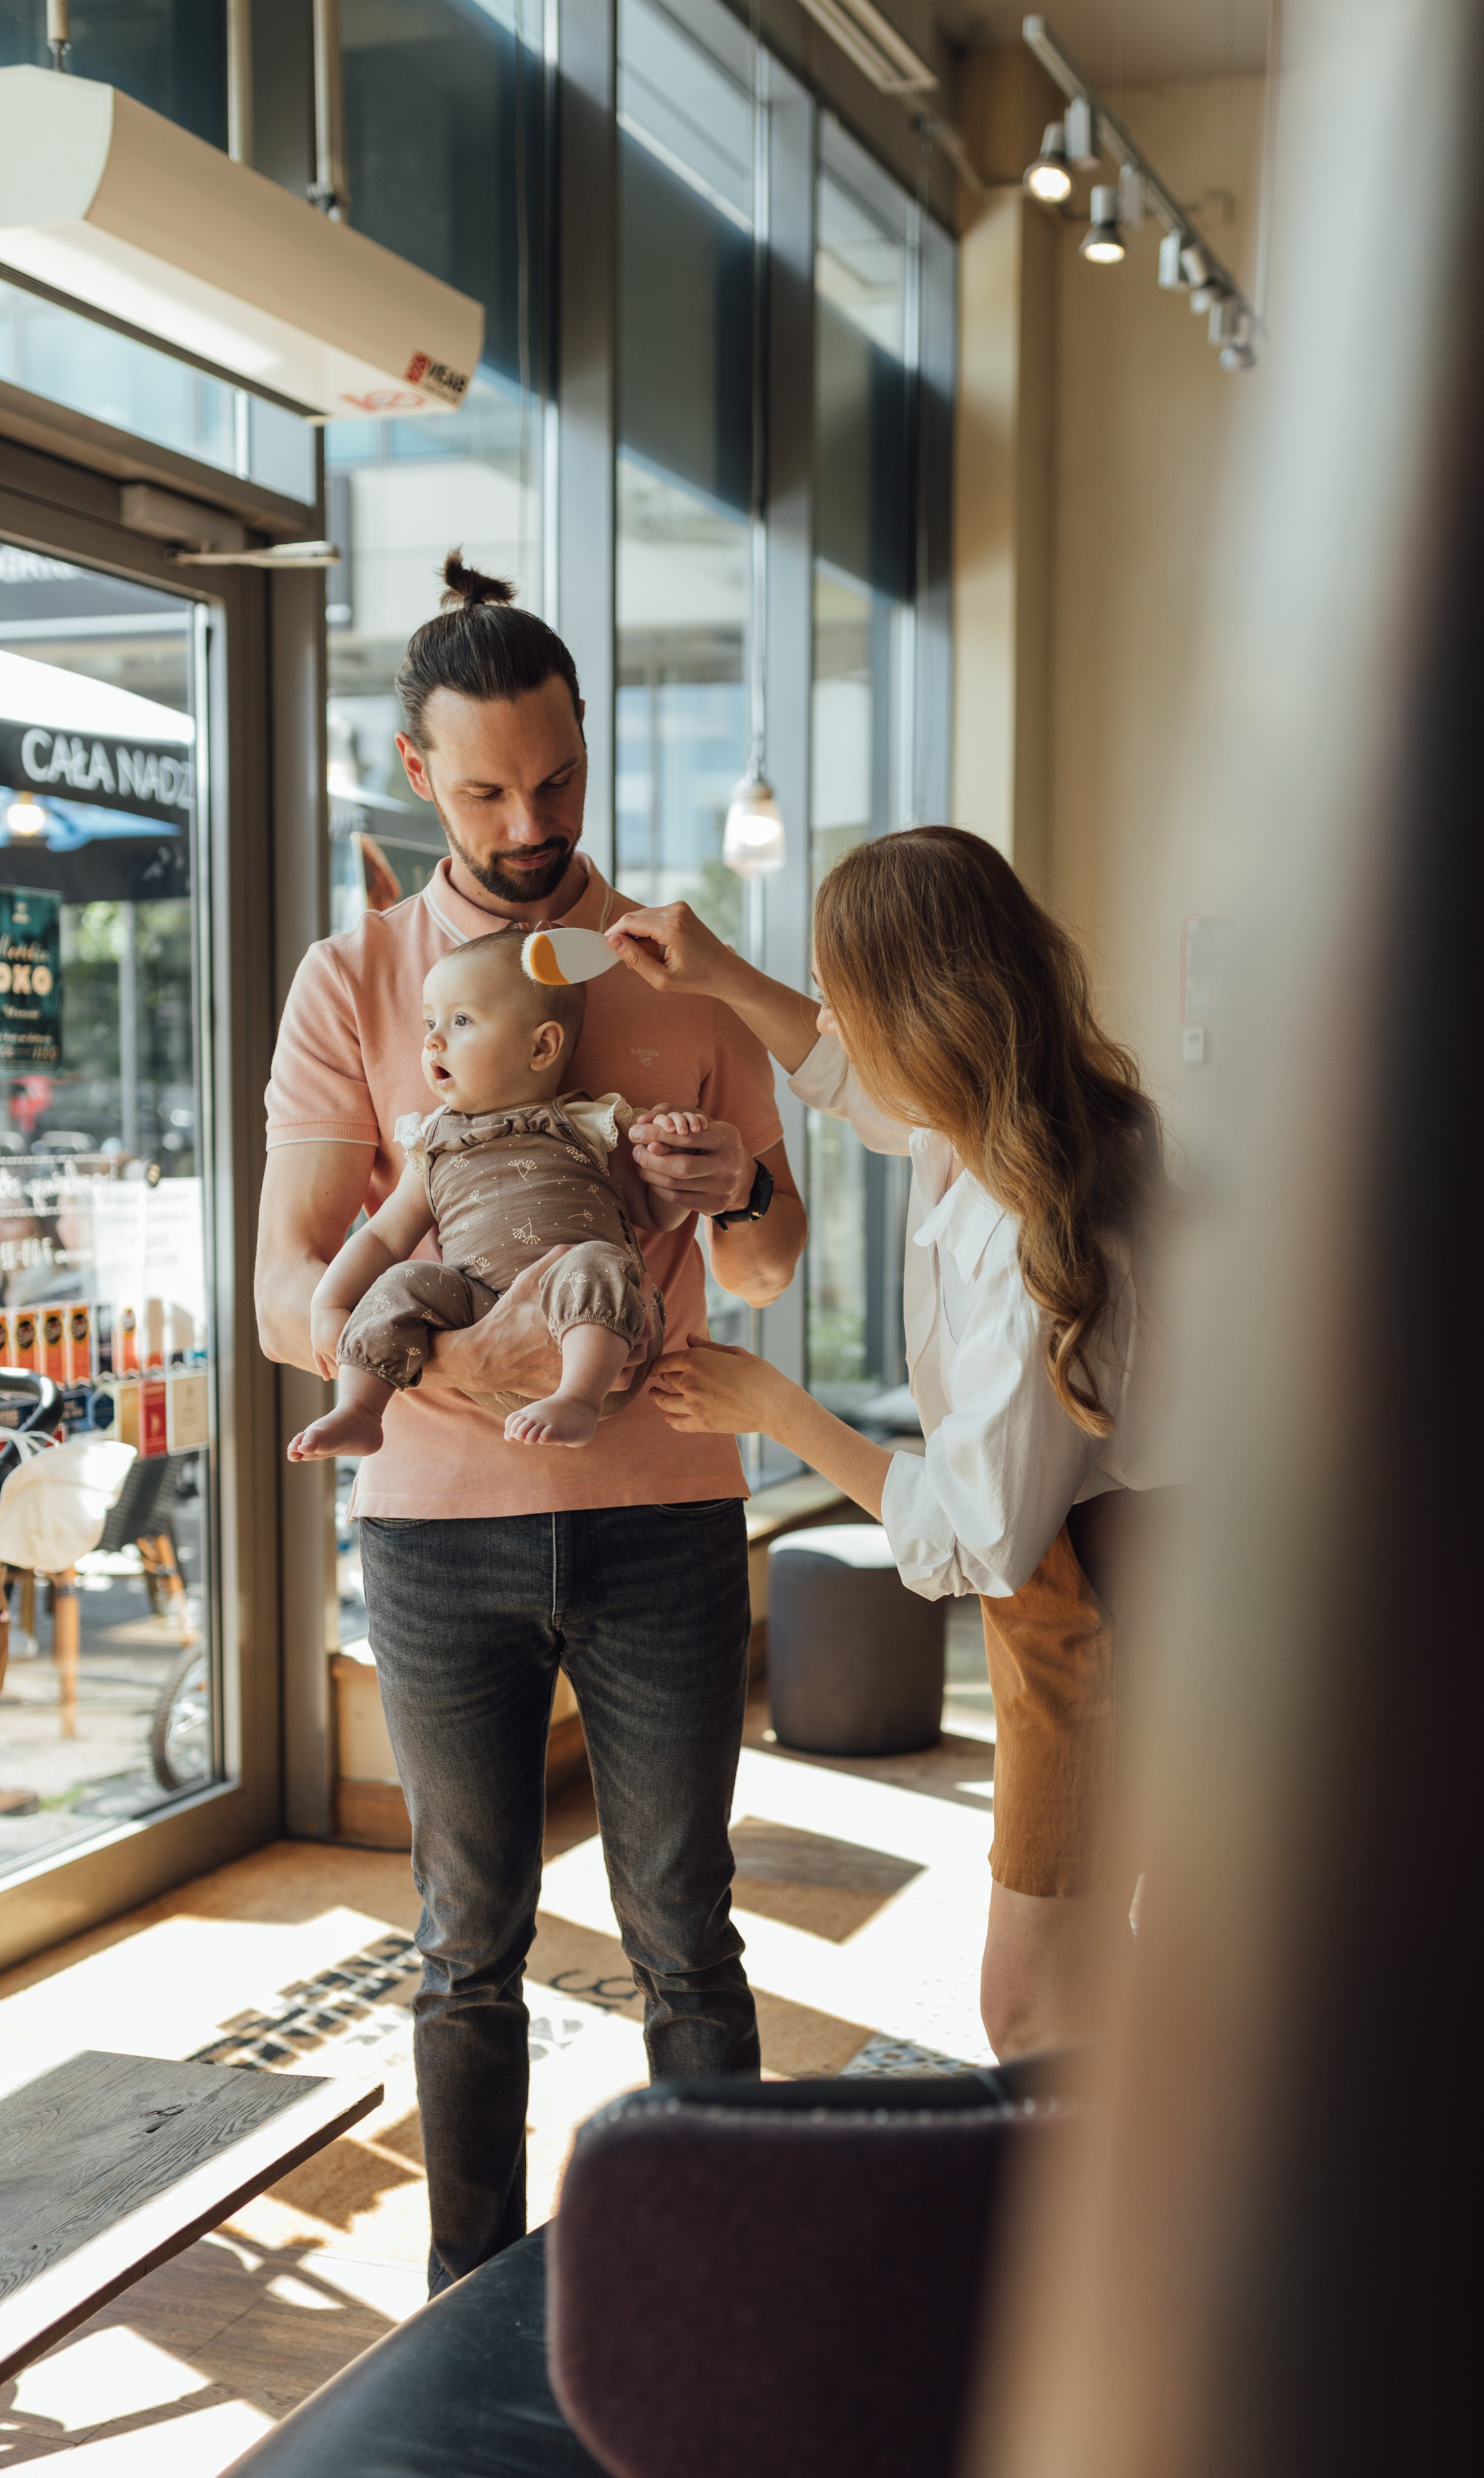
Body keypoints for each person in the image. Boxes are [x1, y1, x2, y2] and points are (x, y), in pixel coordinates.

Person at [256, 552, 806, 2294]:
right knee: (463, 1943)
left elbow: (773, 1267)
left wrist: (741, 1187)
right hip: (434, 1538)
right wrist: (448, 1364)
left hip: (667, 1515)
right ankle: (468, 2307)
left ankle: (721, 2306)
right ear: (416, 770)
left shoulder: (683, 971)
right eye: (485, 791)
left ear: (588, 747)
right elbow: (284, 1290)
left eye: (556, 781)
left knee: (685, 1934)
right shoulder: (354, 984)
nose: (529, 823)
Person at [606, 827, 1171, 2061]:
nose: (829, 1025)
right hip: (1089, 1586)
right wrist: (720, 973)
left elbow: (978, 1532)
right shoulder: (1000, 1119)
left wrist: (782, 1412)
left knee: (1028, 2003)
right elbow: (853, 1088)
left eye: (842, 998)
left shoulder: (1036, 1220)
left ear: (920, 1015)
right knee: (1099, 1971)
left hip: (1098, 1609)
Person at [286, 927, 708, 1460]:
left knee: (598, 1262)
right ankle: (360, 1409)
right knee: (405, 1280)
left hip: (607, 1343)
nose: (433, 1040)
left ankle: (577, 1398)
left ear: (542, 1046)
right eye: (430, 1023)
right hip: (478, 1314)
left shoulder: (584, 1122)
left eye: (461, 1021)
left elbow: (652, 1214)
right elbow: (384, 1239)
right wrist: (329, 1303)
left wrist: (676, 1166)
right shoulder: (434, 1144)